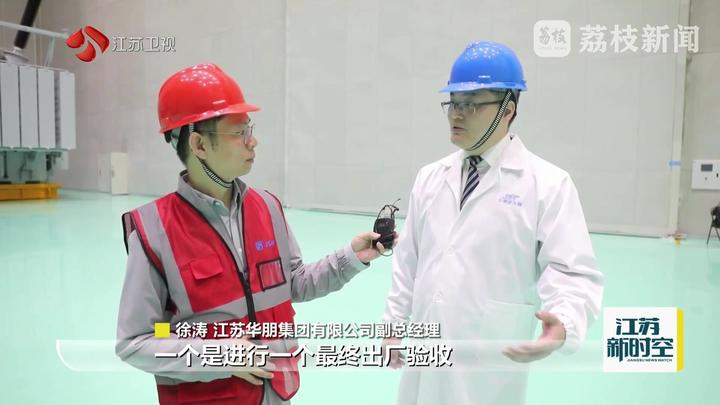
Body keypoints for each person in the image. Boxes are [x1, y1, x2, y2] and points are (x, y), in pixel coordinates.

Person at [116, 63, 394, 405]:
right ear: (199, 145)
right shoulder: (154, 230)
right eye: (239, 132)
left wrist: (351, 258)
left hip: (276, 395)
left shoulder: (267, 207)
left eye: (249, 128)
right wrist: (219, 356)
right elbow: (136, 342)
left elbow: (293, 284)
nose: (253, 141)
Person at [383, 41, 604, 405]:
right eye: (453, 103)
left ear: (508, 109)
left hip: (489, 363)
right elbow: (408, 262)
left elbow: (571, 272)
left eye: (471, 104)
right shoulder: (430, 177)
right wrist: (393, 324)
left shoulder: (548, 185)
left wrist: (563, 322)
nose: (457, 114)